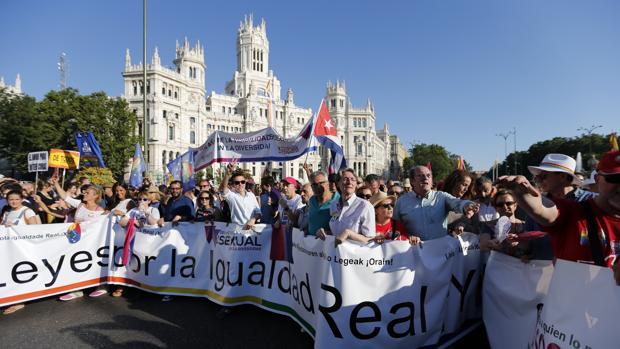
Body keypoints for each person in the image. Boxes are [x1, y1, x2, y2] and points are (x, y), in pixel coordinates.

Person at [498, 150, 620, 285]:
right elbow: (542, 210)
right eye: (615, 179)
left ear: (563, 177)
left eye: (543, 176)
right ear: (598, 179)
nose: (538, 180)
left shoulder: (583, 200)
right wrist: (522, 195)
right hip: (562, 292)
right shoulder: (574, 210)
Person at [52, 176, 108, 301]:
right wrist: (56, 183)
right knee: (75, 264)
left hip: (93, 243)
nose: (84, 193)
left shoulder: (101, 211)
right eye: (85, 191)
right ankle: (77, 290)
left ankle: (100, 286)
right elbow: (65, 197)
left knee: (94, 263)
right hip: (76, 240)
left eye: (88, 193)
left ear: (96, 196)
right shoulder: (80, 205)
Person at [393, 166, 479, 242]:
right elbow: (394, 229)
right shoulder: (401, 202)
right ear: (412, 181)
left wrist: (467, 205)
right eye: (420, 175)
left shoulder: (441, 196)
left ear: (432, 180)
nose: (425, 178)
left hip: (440, 254)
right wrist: (407, 237)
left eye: (428, 176)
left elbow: (457, 202)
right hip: (412, 253)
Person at [113, 190, 161, 298]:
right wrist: (130, 220)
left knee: (143, 264)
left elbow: (154, 223)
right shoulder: (133, 210)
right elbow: (122, 223)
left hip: (147, 242)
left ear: (149, 201)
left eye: (145, 199)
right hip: (133, 240)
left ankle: (142, 288)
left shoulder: (153, 210)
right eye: (139, 199)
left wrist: (146, 213)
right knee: (130, 264)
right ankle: (124, 286)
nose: (142, 201)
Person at [1, 190, 39, 315]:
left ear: (22, 199)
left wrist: (17, 228)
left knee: (21, 274)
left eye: (17, 199)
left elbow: (35, 231)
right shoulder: (7, 212)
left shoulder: (27, 211)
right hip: (10, 249)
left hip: (24, 250)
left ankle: (19, 301)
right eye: (11, 199)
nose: (14, 201)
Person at [317, 168, 376, 245]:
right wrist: (324, 232)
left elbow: (370, 239)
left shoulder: (365, 206)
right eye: (345, 179)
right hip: (335, 254)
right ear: (338, 183)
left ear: (356, 184)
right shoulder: (334, 205)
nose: (349, 182)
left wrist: (349, 234)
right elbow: (336, 232)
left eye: (352, 179)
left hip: (355, 255)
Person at [480, 189, 526, 255]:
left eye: (508, 203)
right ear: (496, 208)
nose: (505, 207)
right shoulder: (489, 225)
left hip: (520, 264)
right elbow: (483, 245)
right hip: (498, 263)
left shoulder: (524, 225)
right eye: (500, 204)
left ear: (515, 205)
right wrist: (491, 244)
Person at [218, 160, 260, 229]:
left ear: (245, 183)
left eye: (242, 182)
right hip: (237, 232)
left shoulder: (251, 195)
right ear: (233, 184)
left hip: (252, 231)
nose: (240, 184)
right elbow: (223, 188)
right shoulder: (231, 196)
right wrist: (227, 174)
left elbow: (258, 212)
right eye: (237, 183)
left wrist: (253, 219)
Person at [307, 171, 340, 236]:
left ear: (328, 183)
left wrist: (328, 232)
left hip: (329, 243)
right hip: (311, 243)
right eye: (314, 184)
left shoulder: (339, 199)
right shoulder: (312, 200)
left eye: (321, 183)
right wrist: (307, 228)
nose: (317, 187)